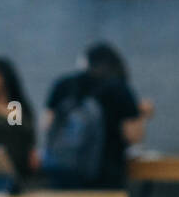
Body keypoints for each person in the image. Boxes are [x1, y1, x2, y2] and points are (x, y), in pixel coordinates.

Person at [42, 42, 153, 188]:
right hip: (105, 175)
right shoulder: (119, 88)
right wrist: (142, 115)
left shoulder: (63, 84)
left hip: (62, 171)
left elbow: (46, 124)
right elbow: (133, 136)